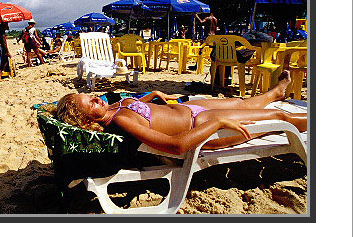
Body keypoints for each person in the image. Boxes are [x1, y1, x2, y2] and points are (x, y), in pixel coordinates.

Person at [46, 71, 306, 154]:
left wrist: (153, 96)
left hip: (190, 110)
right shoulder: (122, 121)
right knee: (279, 118)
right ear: (86, 119)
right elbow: (175, 146)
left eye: (89, 95)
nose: (95, 98)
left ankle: (274, 95)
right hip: (201, 127)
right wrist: (217, 124)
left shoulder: (113, 109)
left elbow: (137, 106)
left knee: (243, 102)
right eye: (90, 103)